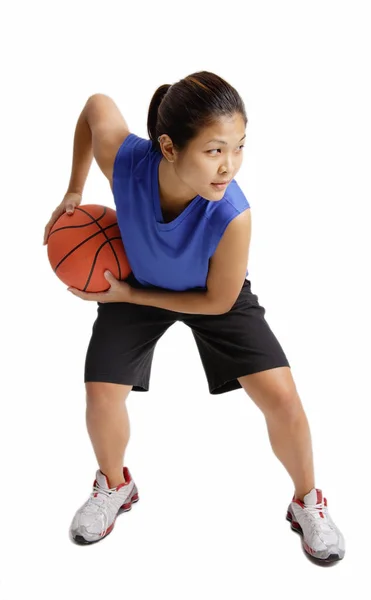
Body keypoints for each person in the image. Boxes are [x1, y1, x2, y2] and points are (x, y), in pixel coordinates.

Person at [43, 71, 345, 562]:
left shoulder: (233, 215)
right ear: (168, 146)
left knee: (283, 398)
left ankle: (307, 501)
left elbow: (218, 304)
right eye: (214, 150)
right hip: (136, 281)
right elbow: (95, 107)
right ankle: (115, 486)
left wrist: (129, 298)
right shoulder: (126, 164)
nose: (229, 167)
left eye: (239, 147)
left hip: (205, 293)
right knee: (100, 395)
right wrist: (73, 192)